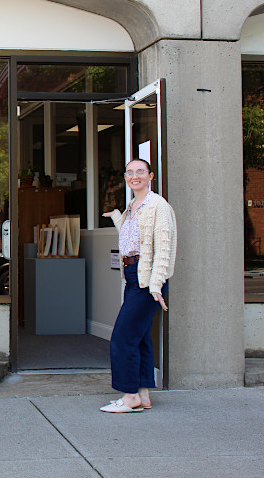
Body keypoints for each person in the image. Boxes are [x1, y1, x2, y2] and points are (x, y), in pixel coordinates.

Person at [99, 158, 177, 413]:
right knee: (140, 337)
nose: (135, 176)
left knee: (122, 337)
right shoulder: (134, 205)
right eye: (130, 172)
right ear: (125, 177)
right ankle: (143, 394)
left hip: (147, 279)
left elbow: (163, 248)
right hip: (133, 274)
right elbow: (133, 241)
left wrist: (157, 284)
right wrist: (117, 218)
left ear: (150, 176)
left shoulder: (158, 206)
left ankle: (129, 395)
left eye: (140, 172)